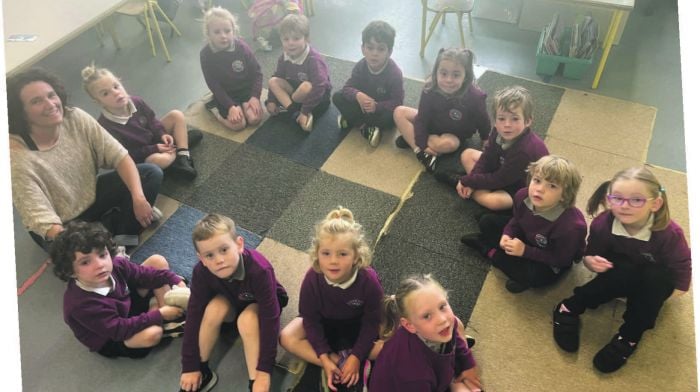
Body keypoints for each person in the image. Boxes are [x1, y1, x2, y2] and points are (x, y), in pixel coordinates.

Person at [552, 166, 691, 373]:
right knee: (624, 268)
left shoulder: (669, 234)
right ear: (609, 199)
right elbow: (591, 252)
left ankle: (629, 337)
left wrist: (657, 298)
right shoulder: (603, 224)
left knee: (656, 280)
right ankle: (569, 307)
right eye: (617, 198)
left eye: (636, 200)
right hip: (619, 275)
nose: (625, 206)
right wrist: (591, 262)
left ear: (656, 204)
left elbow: (682, 270)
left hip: (652, 282)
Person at [7, 67, 163, 251]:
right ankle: (109, 228)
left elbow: (120, 156)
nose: (50, 104)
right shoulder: (15, 158)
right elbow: (43, 222)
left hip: (91, 196)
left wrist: (138, 198)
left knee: (150, 173)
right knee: (79, 256)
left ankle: (122, 243)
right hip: (62, 225)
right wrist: (84, 243)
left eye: (51, 95)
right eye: (36, 101)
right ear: (21, 112)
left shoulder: (75, 117)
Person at [179, 214, 288, 392]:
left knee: (247, 320)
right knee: (214, 308)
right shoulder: (200, 272)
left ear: (239, 244)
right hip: (229, 298)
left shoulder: (260, 270)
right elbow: (193, 315)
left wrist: (264, 371)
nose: (219, 260)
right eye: (210, 255)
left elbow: (271, 319)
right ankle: (202, 369)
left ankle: (255, 382)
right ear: (202, 259)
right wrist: (190, 365)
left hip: (257, 303)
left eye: (224, 250)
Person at [279, 207, 383, 392]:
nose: (333, 261)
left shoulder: (369, 280)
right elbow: (310, 320)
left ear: (356, 256)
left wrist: (356, 356)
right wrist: (325, 358)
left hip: (356, 325)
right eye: (326, 253)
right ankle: (339, 362)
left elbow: (371, 322)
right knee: (286, 337)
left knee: (394, 345)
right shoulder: (312, 278)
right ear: (317, 254)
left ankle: (351, 359)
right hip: (325, 324)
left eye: (342, 254)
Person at [51, 220, 190, 358]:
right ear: (71, 271)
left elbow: (146, 274)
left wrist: (176, 281)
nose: (100, 265)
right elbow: (118, 329)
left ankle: (164, 313)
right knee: (152, 335)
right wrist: (159, 314)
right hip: (114, 335)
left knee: (157, 262)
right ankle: (160, 311)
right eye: (85, 262)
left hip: (126, 303)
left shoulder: (116, 264)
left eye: (102, 255)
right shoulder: (80, 305)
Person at [462, 155, 587, 293]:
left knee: (534, 277)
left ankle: (488, 250)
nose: (539, 189)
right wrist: (507, 234)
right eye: (537, 180)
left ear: (565, 195)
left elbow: (561, 259)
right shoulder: (522, 196)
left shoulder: (571, 227)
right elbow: (516, 220)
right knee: (487, 221)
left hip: (551, 257)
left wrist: (525, 251)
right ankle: (508, 257)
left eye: (552, 186)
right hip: (528, 237)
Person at [81, 63, 202, 180]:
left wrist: (162, 134)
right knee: (157, 161)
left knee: (176, 115)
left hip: (154, 141)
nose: (115, 93)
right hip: (143, 156)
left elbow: (152, 121)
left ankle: (182, 156)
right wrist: (155, 149)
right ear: (98, 102)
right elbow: (126, 156)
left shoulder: (136, 101)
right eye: (106, 93)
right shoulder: (105, 127)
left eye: (116, 86)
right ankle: (180, 149)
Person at [369, 274, 482, 392]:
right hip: (416, 382)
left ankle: (453, 372)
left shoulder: (443, 325)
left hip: (436, 370)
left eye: (442, 306)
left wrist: (468, 364)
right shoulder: (415, 374)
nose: (442, 319)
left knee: (456, 323)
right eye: (427, 316)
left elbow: (455, 332)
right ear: (409, 325)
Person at [393, 48, 490, 172]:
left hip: (453, 135)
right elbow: (422, 118)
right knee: (399, 112)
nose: (449, 80)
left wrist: (486, 138)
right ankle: (421, 152)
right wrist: (422, 144)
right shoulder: (429, 88)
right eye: (443, 73)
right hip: (431, 125)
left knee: (450, 144)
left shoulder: (475, 97)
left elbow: (483, 120)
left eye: (456, 75)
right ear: (436, 73)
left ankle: (411, 138)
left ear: (465, 76)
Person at [453, 85, 548, 212]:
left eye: (515, 119)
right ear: (495, 120)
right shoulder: (497, 130)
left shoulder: (524, 151)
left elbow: (500, 179)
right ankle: (476, 189)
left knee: (495, 202)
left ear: (528, 121)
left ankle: (473, 190)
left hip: (521, 183)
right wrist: (472, 181)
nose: (507, 125)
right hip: (503, 167)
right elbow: (487, 157)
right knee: (467, 155)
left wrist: (468, 180)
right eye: (501, 118)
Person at [332, 20, 404, 147]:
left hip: (380, 109)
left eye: (381, 49)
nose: (374, 53)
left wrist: (377, 106)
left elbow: (397, 102)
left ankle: (352, 120)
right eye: (370, 47)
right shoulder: (361, 66)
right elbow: (347, 88)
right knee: (337, 96)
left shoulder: (395, 73)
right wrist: (358, 95)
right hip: (362, 105)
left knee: (393, 117)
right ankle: (366, 128)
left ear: (389, 52)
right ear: (363, 49)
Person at [201, 6, 264, 132]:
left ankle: (243, 106)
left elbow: (257, 73)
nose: (223, 36)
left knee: (254, 119)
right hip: (226, 94)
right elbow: (214, 84)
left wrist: (255, 96)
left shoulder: (242, 47)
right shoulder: (206, 54)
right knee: (238, 125)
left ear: (234, 31)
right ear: (208, 34)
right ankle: (214, 109)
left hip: (245, 90)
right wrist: (230, 106)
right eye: (217, 32)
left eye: (227, 31)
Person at [265, 13, 331, 132]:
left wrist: (305, 110)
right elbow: (278, 76)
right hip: (295, 92)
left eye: (296, 38)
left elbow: (320, 87)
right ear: (281, 39)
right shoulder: (283, 57)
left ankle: (297, 112)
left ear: (306, 38)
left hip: (318, 97)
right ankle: (295, 112)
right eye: (286, 39)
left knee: (306, 86)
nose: (290, 43)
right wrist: (271, 100)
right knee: (273, 81)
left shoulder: (314, 60)